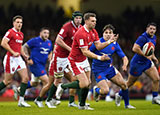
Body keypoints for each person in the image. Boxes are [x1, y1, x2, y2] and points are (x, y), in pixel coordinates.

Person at [56, 13, 118, 110]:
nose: (95, 23)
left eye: (95, 21)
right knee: (84, 84)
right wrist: (99, 58)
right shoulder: (81, 33)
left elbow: (98, 46)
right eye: (92, 21)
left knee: (88, 83)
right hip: (75, 60)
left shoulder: (94, 31)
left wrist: (109, 42)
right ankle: (63, 86)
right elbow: (85, 52)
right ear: (86, 21)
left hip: (83, 60)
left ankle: (82, 105)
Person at [90, 24, 135, 109]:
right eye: (106, 32)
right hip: (98, 70)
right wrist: (98, 57)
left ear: (113, 34)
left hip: (109, 68)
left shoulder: (115, 44)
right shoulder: (97, 42)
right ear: (102, 34)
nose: (108, 34)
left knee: (124, 85)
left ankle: (127, 105)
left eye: (110, 32)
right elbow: (88, 52)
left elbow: (124, 57)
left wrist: (125, 65)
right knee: (105, 91)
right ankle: (96, 90)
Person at [115, 22, 160, 106]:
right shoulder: (143, 37)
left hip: (147, 63)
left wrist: (153, 57)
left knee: (156, 79)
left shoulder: (154, 38)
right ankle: (119, 94)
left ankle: (155, 98)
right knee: (129, 83)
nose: (152, 31)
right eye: (150, 29)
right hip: (137, 64)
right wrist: (145, 56)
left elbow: (150, 49)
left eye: (154, 29)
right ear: (147, 29)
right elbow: (135, 48)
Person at [46, 11, 83, 107]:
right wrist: (70, 49)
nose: (78, 20)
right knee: (57, 80)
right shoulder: (67, 27)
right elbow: (58, 40)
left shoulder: (81, 28)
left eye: (80, 18)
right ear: (73, 18)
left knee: (76, 78)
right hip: (60, 57)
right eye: (77, 18)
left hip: (69, 57)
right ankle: (49, 100)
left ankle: (74, 102)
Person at [14, 27, 54, 108]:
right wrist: (27, 58)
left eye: (48, 33)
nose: (46, 35)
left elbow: (50, 51)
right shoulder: (34, 40)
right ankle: (40, 100)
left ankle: (19, 89)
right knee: (47, 82)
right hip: (35, 64)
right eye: (45, 33)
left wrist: (50, 56)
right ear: (40, 33)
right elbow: (23, 47)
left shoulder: (49, 42)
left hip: (42, 65)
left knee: (34, 83)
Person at [0, 15, 30, 107]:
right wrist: (13, 52)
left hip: (18, 59)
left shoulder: (21, 34)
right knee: (7, 81)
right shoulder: (10, 32)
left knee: (25, 78)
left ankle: (21, 101)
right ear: (13, 23)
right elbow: (3, 43)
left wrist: (24, 54)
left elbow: (19, 46)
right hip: (10, 59)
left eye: (21, 22)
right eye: (17, 22)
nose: (19, 24)